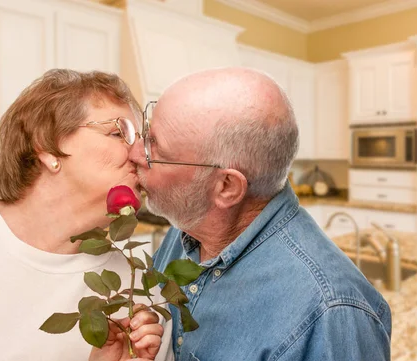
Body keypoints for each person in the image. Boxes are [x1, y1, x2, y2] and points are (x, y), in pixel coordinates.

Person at [129, 67, 392, 360]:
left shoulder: (330, 313)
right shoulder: (186, 229)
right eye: (146, 132)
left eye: (154, 146)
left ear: (226, 187)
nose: (135, 153)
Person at [0, 69, 172, 361]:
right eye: (118, 132)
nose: (140, 154)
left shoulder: (140, 301)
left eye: (141, 139)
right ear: (49, 147)